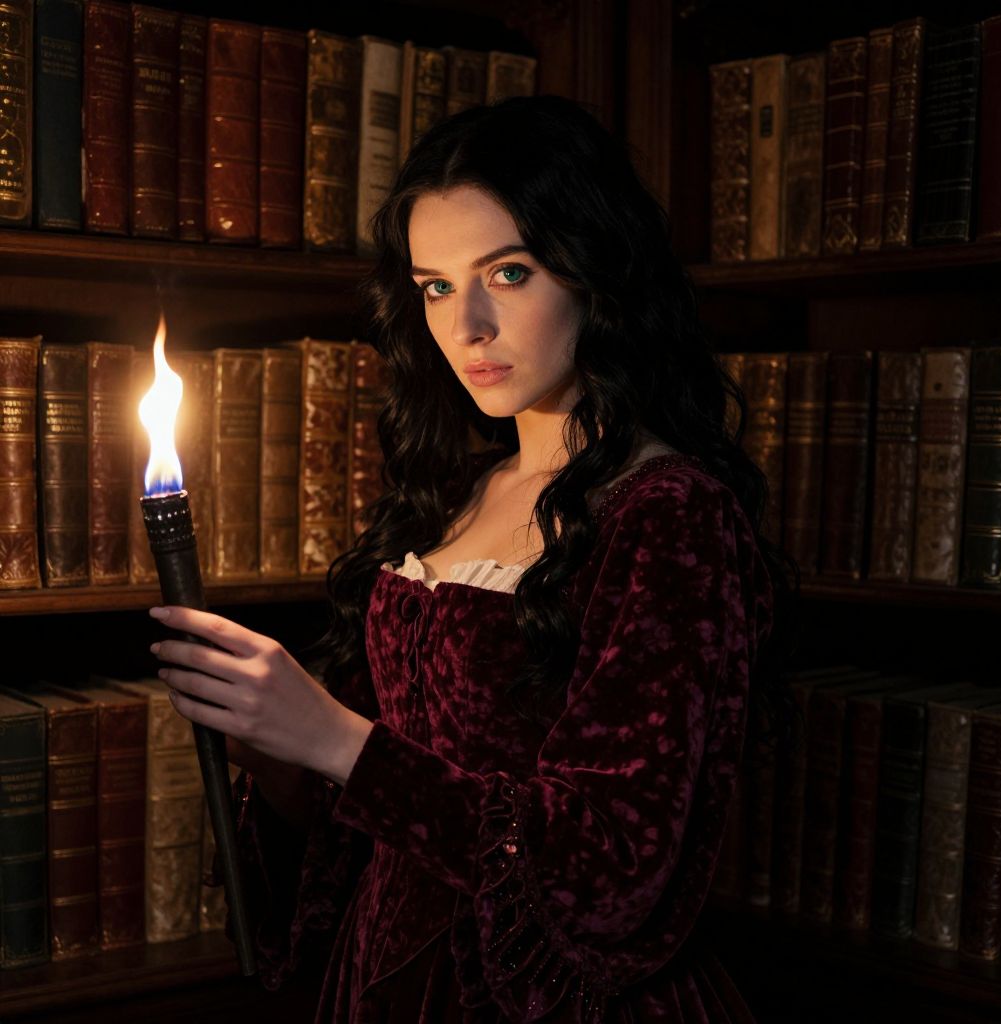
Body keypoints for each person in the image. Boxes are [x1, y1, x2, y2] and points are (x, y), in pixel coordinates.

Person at [149, 94, 796, 1022]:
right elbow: (377, 811)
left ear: (595, 273)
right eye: (437, 286)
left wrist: (334, 738)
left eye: (510, 272)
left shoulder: (671, 516)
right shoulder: (458, 496)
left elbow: (616, 865)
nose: (469, 326)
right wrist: (280, 753)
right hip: (387, 977)